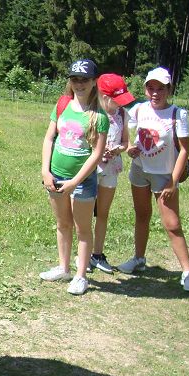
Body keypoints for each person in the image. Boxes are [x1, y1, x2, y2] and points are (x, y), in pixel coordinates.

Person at [118, 67, 189, 293]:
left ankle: (188, 272)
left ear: (169, 89)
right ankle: (139, 259)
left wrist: (173, 181)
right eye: (151, 88)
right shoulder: (138, 109)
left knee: (172, 225)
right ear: (145, 89)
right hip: (139, 170)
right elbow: (127, 134)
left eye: (161, 88)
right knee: (141, 215)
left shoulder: (178, 114)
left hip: (164, 175)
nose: (155, 93)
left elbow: (184, 150)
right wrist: (130, 148)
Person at [39, 59, 109, 296]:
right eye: (75, 79)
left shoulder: (99, 116)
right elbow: (49, 138)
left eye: (84, 80)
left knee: (82, 229)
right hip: (56, 176)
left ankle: (81, 276)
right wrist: (45, 171)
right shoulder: (62, 105)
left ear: (93, 82)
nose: (79, 84)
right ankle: (63, 268)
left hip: (82, 181)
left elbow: (97, 154)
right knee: (62, 224)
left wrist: (75, 182)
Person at [91, 73, 136, 273]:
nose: (121, 103)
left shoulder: (123, 114)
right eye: (117, 99)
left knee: (103, 212)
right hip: (91, 168)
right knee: (84, 213)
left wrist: (118, 149)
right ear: (104, 96)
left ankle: (97, 254)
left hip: (111, 169)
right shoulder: (92, 112)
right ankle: (83, 254)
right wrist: (97, 151)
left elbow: (126, 142)